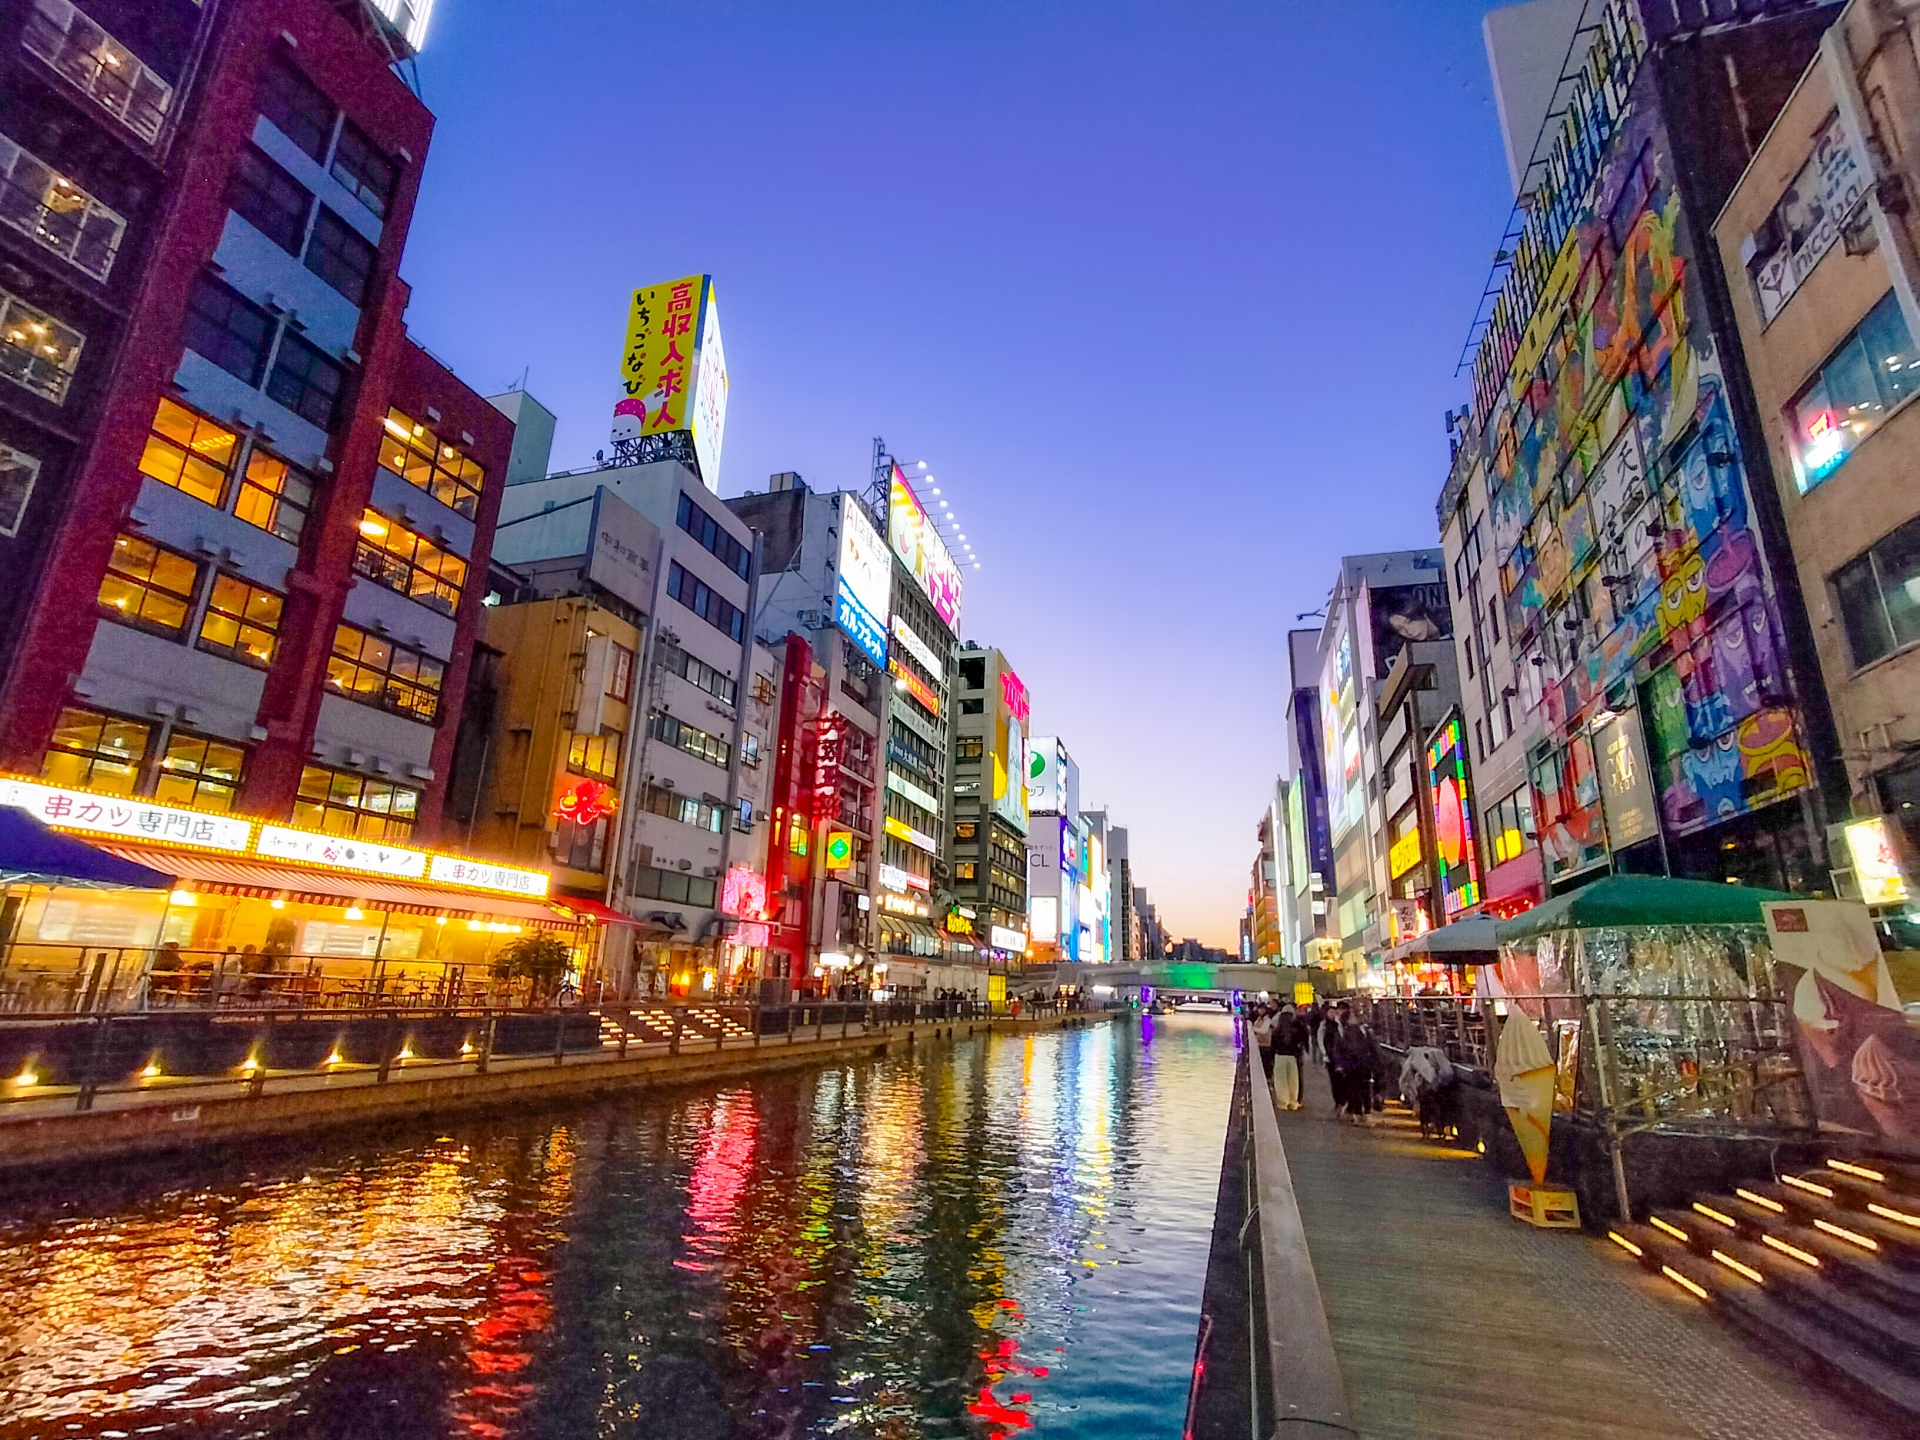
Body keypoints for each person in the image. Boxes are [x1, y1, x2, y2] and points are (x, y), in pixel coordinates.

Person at [1272, 1005, 1305, 1111]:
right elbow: (1301, 1041)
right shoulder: (1296, 1028)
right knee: (1293, 1081)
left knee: (1281, 1081)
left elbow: (1273, 1045)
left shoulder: (1278, 1029)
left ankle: (1283, 1102)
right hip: (1292, 1057)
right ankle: (1293, 1102)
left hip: (1280, 1056)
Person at [1249, 1003, 1276, 1081]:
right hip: (1259, 1044)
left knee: (1266, 1064)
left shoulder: (1267, 1020)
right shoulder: (1260, 1018)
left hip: (1265, 1045)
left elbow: (1264, 1031)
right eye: (1259, 1009)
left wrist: (1252, 1028)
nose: (1260, 1011)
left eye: (1261, 1009)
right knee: (1262, 1064)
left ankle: (1268, 1079)